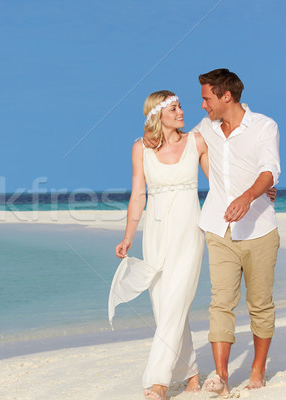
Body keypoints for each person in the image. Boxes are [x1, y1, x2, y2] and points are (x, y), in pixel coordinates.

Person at [110, 90, 209, 400]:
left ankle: (159, 382)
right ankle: (192, 373)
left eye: (180, 106)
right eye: (174, 108)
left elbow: (220, 184)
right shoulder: (140, 148)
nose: (181, 111)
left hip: (189, 231)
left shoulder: (197, 142)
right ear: (158, 115)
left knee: (177, 300)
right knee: (166, 306)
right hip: (155, 233)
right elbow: (138, 194)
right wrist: (128, 236)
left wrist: (258, 192)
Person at [194, 68, 281, 396]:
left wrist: (248, 196)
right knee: (221, 302)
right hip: (218, 228)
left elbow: (269, 170)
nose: (203, 105)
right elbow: (188, 147)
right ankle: (221, 375)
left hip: (259, 229)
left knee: (259, 303)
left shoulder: (263, 126)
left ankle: (258, 368)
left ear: (225, 96)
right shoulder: (207, 127)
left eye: (206, 98)